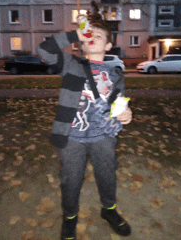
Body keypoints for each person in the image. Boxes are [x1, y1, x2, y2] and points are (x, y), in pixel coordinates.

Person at [37, 21, 132, 240]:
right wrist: (74, 34)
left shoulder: (116, 74)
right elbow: (43, 50)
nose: (93, 36)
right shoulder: (70, 64)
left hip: (104, 136)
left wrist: (126, 114)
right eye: (90, 35)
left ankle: (108, 210)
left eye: (99, 36)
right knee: (71, 179)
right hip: (72, 137)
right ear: (82, 44)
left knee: (107, 175)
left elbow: (120, 103)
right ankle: (70, 218)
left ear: (108, 46)